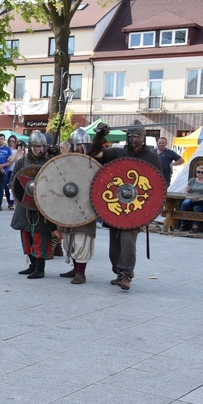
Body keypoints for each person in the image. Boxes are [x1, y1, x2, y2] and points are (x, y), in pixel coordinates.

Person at [88, 121, 163, 290]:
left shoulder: (151, 157)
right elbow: (96, 153)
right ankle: (119, 272)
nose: (133, 139)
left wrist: (152, 209)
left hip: (137, 206)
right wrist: (100, 136)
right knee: (115, 247)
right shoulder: (119, 153)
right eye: (130, 136)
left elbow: (159, 184)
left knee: (127, 239)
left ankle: (126, 275)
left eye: (136, 136)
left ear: (143, 137)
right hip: (117, 205)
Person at [10, 131, 56, 279]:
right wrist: (18, 195)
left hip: (41, 206)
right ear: (31, 146)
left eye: (42, 146)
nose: (40, 149)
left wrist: (57, 154)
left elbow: (56, 181)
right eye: (37, 146)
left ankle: (40, 268)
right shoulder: (22, 162)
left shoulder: (49, 162)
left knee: (39, 237)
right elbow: (13, 181)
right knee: (26, 235)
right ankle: (32, 265)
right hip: (25, 205)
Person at [56, 129, 96, 284]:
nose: (78, 148)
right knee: (68, 240)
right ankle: (75, 267)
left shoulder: (92, 161)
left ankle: (81, 272)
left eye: (81, 145)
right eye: (75, 145)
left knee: (82, 240)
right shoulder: (67, 160)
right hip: (69, 204)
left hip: (86, 205)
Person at [178, 165, 203, 233]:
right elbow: (186, 190)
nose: (200, 173)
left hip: (201, 199)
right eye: (198, 172)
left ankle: (195, 227)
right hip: (191, 197)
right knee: (184, 204)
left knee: (197, 208)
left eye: (202, 172)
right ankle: (183, 224)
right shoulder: (192, 180)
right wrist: (189, 195)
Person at [4, 135, 22, 210]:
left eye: (13, 141)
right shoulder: (7, 150)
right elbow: (10, 160)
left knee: (13, 187)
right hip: (8, 170)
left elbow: (17, 160)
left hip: (15, 171)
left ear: (16, 142)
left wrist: (19, 151)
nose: (11, 142)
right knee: (6, 187)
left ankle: (12, 203)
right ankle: (9, 202)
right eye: (10, 141)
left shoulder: (18, 151)